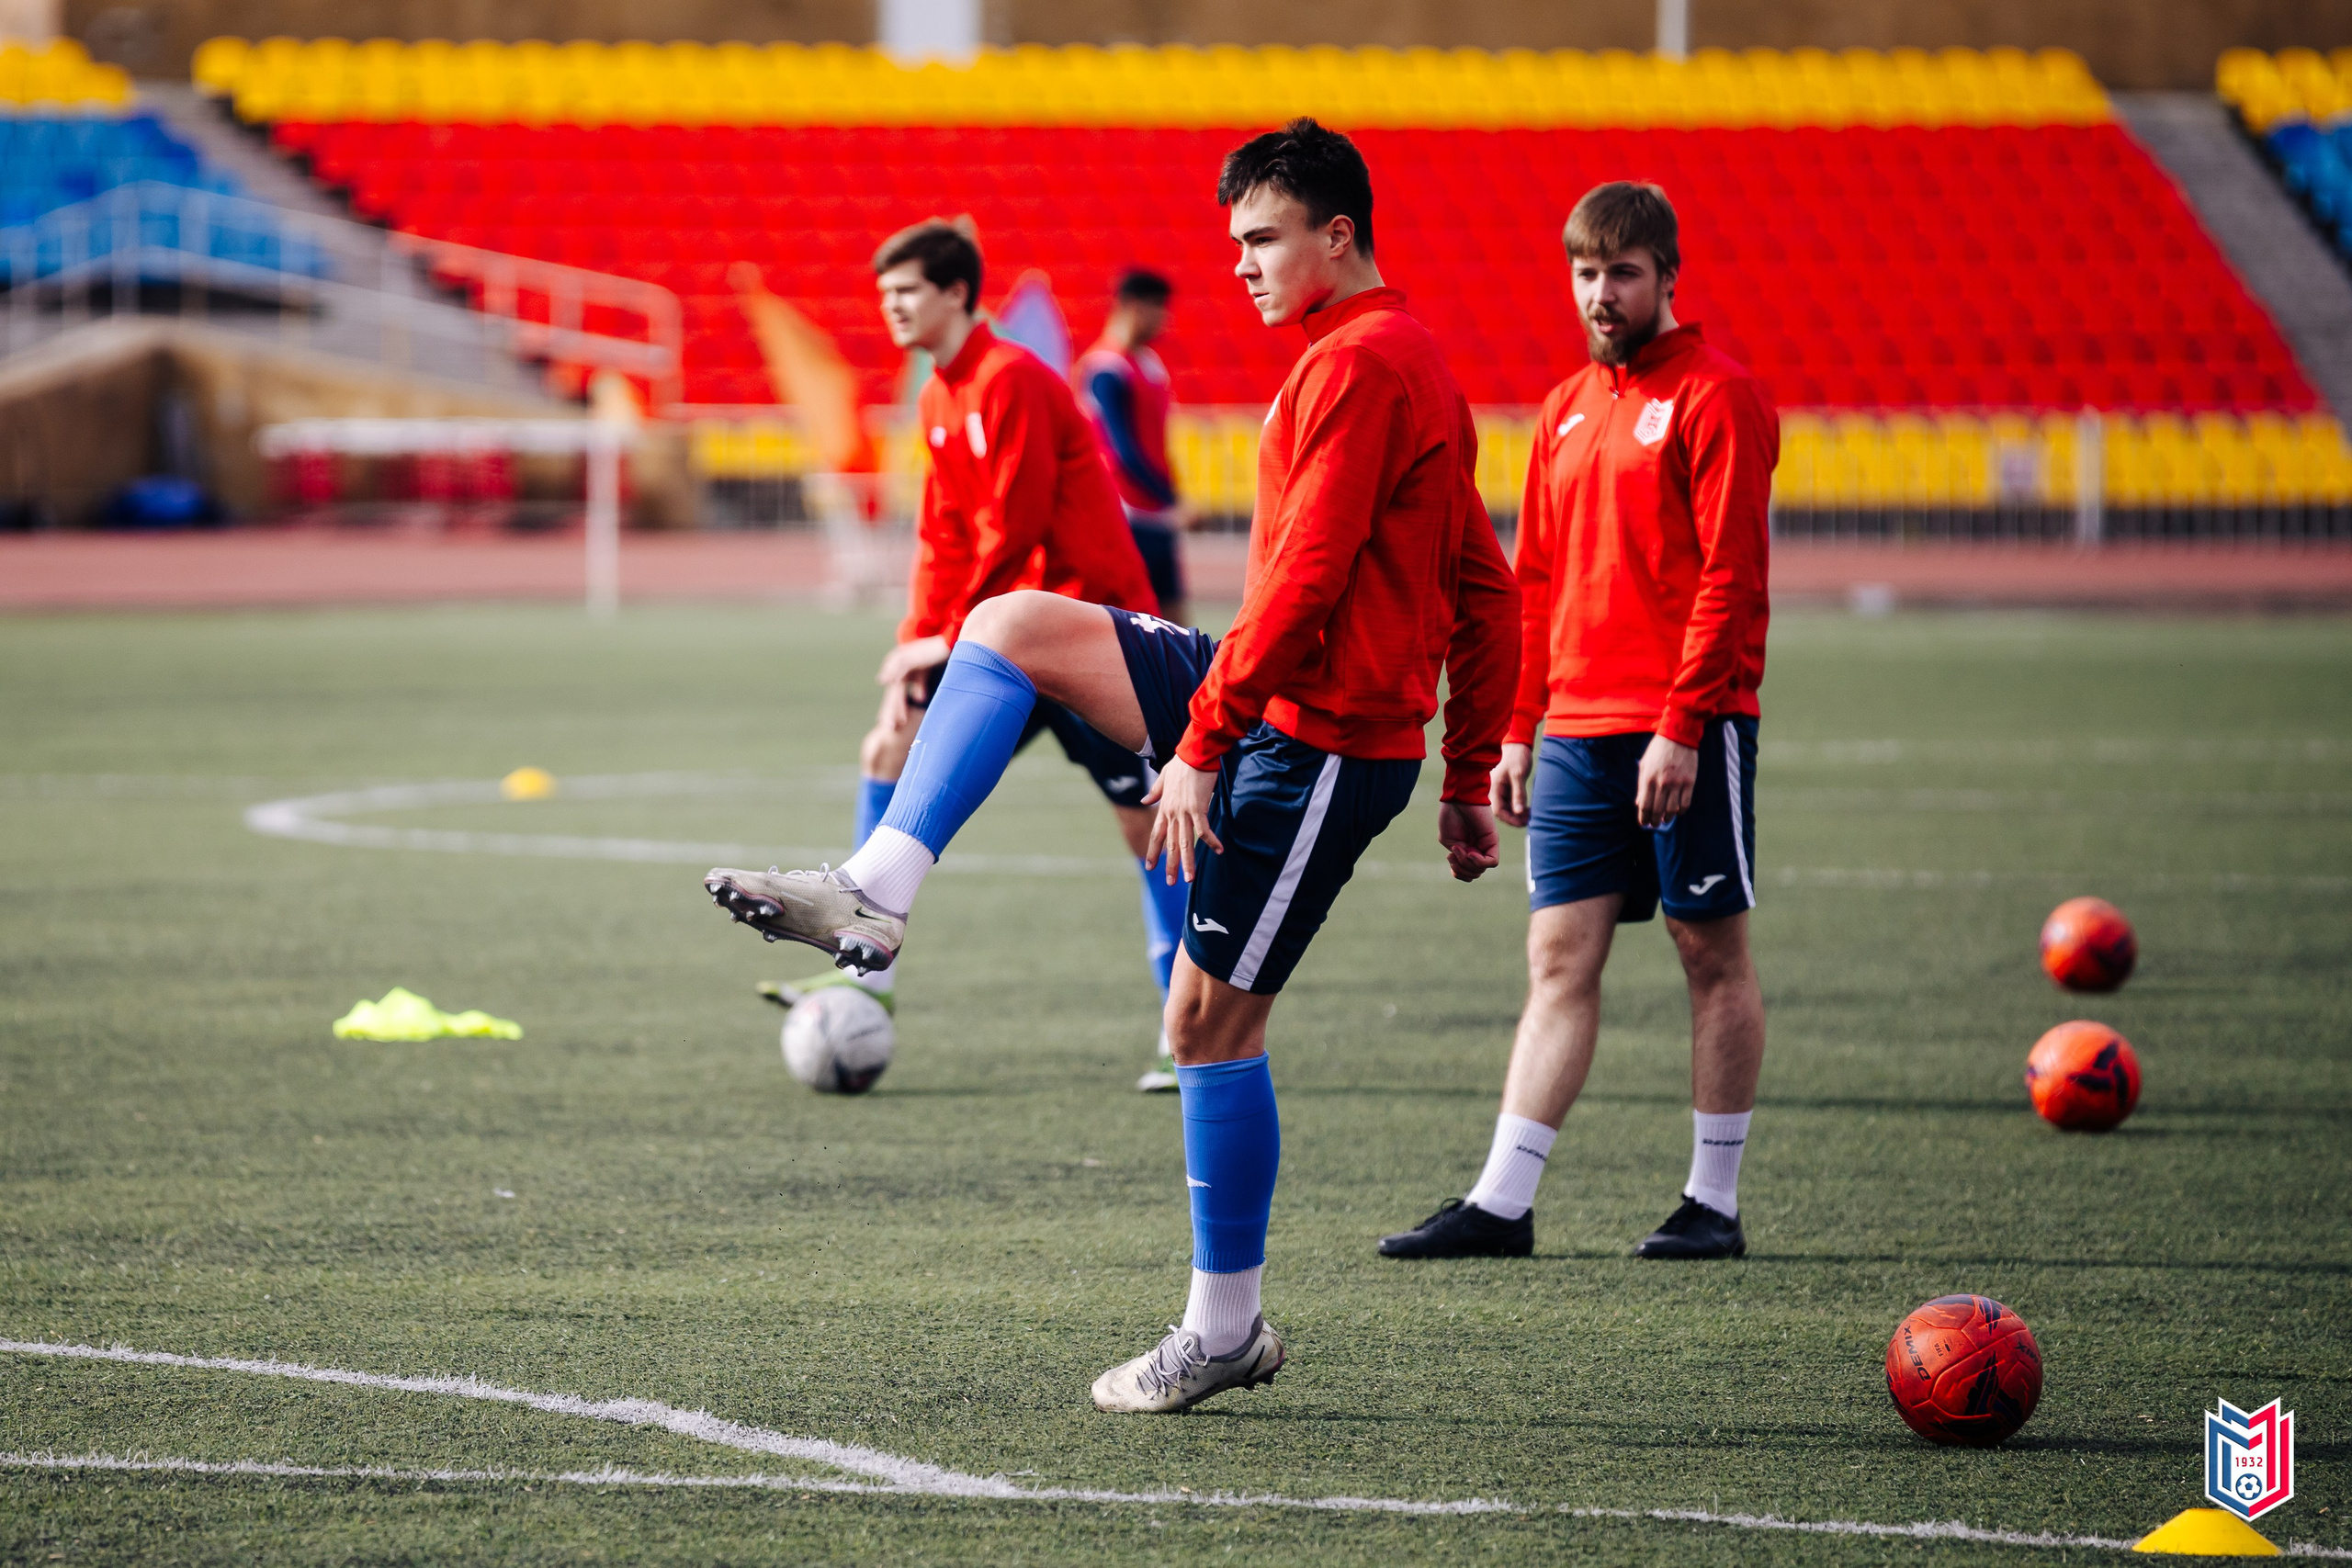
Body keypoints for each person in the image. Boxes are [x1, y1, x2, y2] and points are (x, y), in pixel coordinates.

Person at [706, 119, 1520, 1413]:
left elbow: (1327, 583)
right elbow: (1482, 585)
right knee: (1011, 623)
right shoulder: (1365, 357)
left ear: (1338, 235)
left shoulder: (1365, 367)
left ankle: (1226, 1329)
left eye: (1263, 239)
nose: (1241, 265)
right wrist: (1471, 773)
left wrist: (1219, 745)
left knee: (1208, 1025)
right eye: (1236, 240)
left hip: (1318, 742)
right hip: (1276, 701)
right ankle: (876, 886)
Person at [1377, 181, 1778, 1266]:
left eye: (1624, 274)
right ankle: (1502, 1204)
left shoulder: (1716, 395)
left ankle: (1713, 1201)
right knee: (1557, 958)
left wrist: (1685, 726)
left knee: (1709, 954)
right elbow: (1537, 580)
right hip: (1573, 737)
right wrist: (1515, 726)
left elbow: (1731, 579)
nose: (1602, 295)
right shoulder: (1560, 407)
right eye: (1587, 275)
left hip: (1683, 730)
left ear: (1666, 278)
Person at [763, 220, 1188, 1074]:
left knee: (1145, 825)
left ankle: (1187, 1025)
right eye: (883, 295)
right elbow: (944, 536)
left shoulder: (1013, 380)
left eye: (906, 292)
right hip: (1011, 645)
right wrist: (916, 642)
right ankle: (866, 967)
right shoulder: (937, 396)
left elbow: (1017, 529)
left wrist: (944, 643)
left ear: (957, 293)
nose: (890, 308)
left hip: (1089, 634)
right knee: (890, 739)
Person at [1073, 269, 1193, 631]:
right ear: (1132, 307)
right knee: (1138, 624)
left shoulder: (1148, 365)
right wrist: (1172, 499)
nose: (1165, 319)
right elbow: (1123, 450)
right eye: (1158, 307)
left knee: (1173, 625)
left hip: (1154, 513)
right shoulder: (1105, 368)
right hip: (1126, 513)